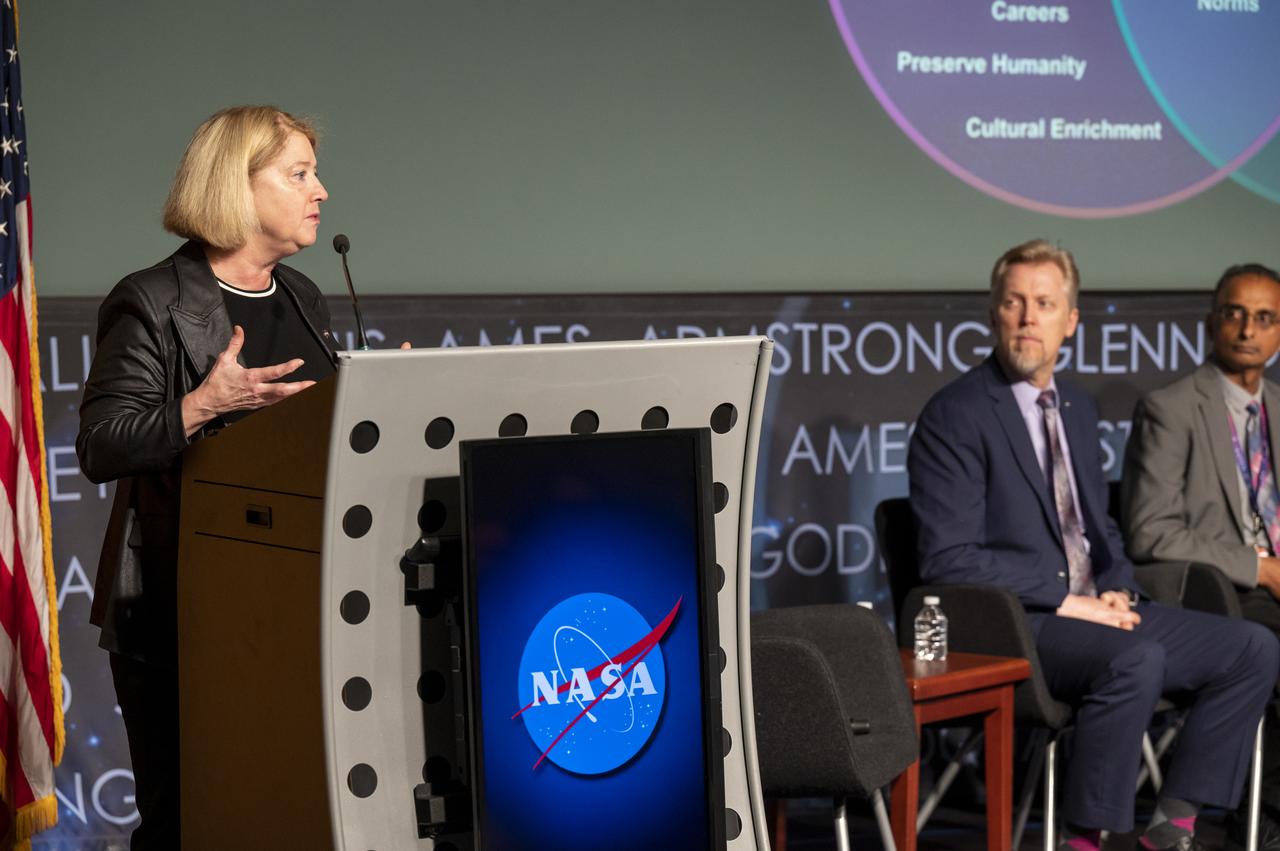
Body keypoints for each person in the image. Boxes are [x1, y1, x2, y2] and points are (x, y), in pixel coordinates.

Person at [907, 239, 1279, 851]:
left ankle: (1171, 828)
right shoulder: (957, 413)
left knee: (1251, 648)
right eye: (1014, 302)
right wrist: (1069, 601)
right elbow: (948, 560)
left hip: (1092, 608)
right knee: (1135, 660)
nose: (1029, 318)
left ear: (1070, 321)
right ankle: (1089, 839)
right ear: (994, 312)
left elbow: (1097, 529)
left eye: (1045, 304)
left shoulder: (1076, 406)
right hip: (1016, 621)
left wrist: (1116, 587)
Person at [76, 106, 339, 849]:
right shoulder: (153, 300)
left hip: (296, 605)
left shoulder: (305, 297)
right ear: (238, 185)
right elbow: (100, 444)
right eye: (299, 173)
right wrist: (199, 406)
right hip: (182, 610)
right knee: (189, 823)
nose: (321, 190)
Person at [1122, 262, 1280, 848]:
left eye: (1264, 318)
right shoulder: (1170, 407)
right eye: (1234, 313)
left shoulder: (1279, 409)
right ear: (1210, 323)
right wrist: (1259, 567)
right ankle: (1264, 818)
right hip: (1214, 589)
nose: (1247, 329)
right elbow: (1150, 533)